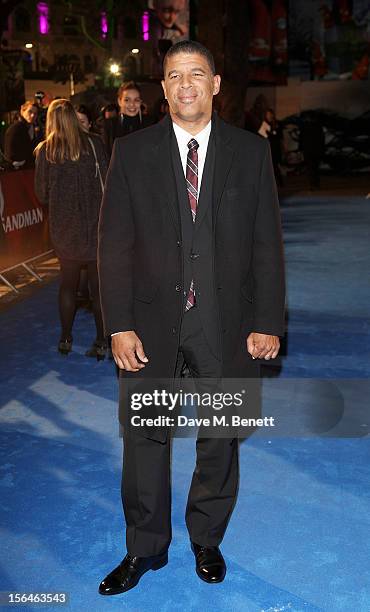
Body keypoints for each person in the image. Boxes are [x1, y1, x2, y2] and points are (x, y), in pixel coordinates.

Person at [98, 40, 285, 595]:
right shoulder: (131, 153)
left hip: (227, 325)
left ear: (216, 84)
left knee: (222, 436)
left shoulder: (251, 153)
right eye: (175, 76)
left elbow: (265, 244)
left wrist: (269, 320)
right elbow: (114, 246)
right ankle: (144, 548)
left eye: (196, 74)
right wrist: (119, 324)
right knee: (144, 440)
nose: (185, 84)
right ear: (163, 89)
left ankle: (207, 537)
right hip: (150, 327)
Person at [34, 99, 108, 359]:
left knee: (68, 284)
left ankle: (65, 337)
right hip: (95, 227)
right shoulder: (94, 143)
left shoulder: (46, 151)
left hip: (65, 231)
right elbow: (107, 181)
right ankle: (102, 341)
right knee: (98, 288)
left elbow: (41, 194)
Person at [102, 82, 152, 157]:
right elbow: (106, 155)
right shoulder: (110, 125)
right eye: (127, 100)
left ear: (140, 102)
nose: (132, 104)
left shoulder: (150, 123)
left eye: (136, 100)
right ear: (119, 101)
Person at [4, 100, 40, 169]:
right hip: (18, 169)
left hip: (27, 167)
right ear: (22, 111)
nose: (33, 115)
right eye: (30, 112)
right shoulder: (16, 128)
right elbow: (10, 154)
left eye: (35, 113)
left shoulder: (32, 127)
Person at [299, 112, 325, 190]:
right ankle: (316, 183)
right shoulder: (319, 127)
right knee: (316, 168)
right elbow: (322, 140)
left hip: (308, 151)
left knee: (310, 168)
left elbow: (301, 139)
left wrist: (300, 149)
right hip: (317, 150)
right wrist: (322, 150)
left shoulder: (304, 127)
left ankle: (312, 184)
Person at [265, 108, 284, 187]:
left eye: (270, 114)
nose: (269, 116)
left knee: (275, 165)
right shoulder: (265, 124)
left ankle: (279, 182)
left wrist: (273, 132)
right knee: (271, 166)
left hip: (275, 148)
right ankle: (276, 182)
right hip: (268, 148)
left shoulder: (276, 124)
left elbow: (280, 136)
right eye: (267, 115)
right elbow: (262, 136)